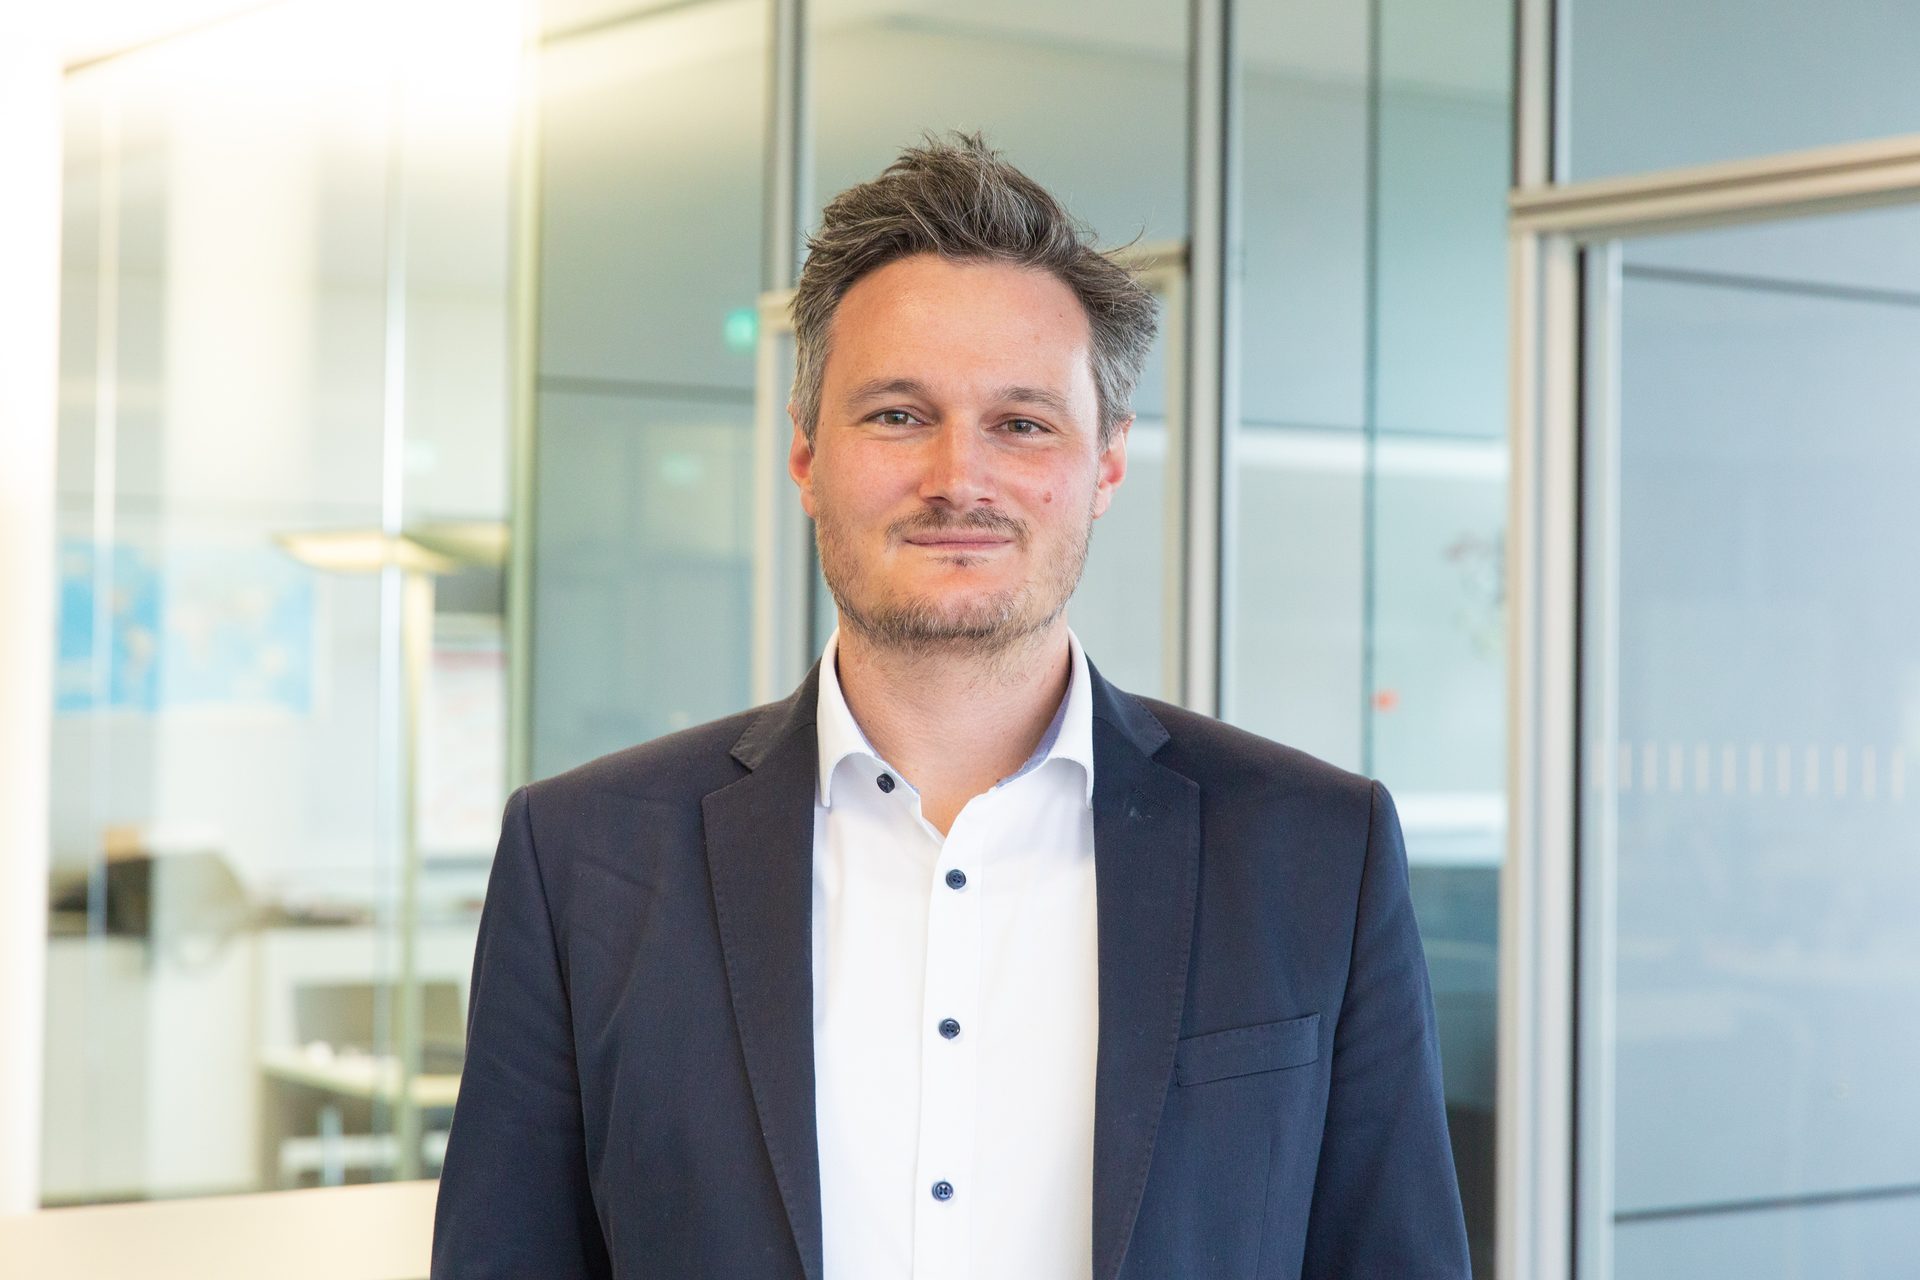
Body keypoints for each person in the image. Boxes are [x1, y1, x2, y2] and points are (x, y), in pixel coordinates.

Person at [432, 132, 1470, 1280]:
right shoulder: (584, 858)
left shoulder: (1316, 849)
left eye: (1022, 422)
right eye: (895, 414)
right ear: (805, 451)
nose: (957, 478)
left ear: (1107, 462)